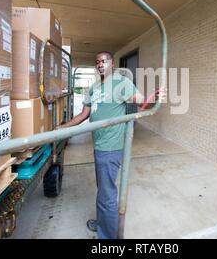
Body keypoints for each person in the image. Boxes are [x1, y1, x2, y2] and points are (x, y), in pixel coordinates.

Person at [57, 51, 166, 239]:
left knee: (107, 195)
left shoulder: (121, 83)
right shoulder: (94, 87)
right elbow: (83, 115)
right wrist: (61, 128)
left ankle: (109, 238)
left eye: (104, 61)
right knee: (103, 189)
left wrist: (155, 98)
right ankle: (103, 222)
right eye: (97, 62)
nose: (100, 64)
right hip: (98, 144)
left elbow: (141, 102)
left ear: (112, 63)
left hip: (111, 147)